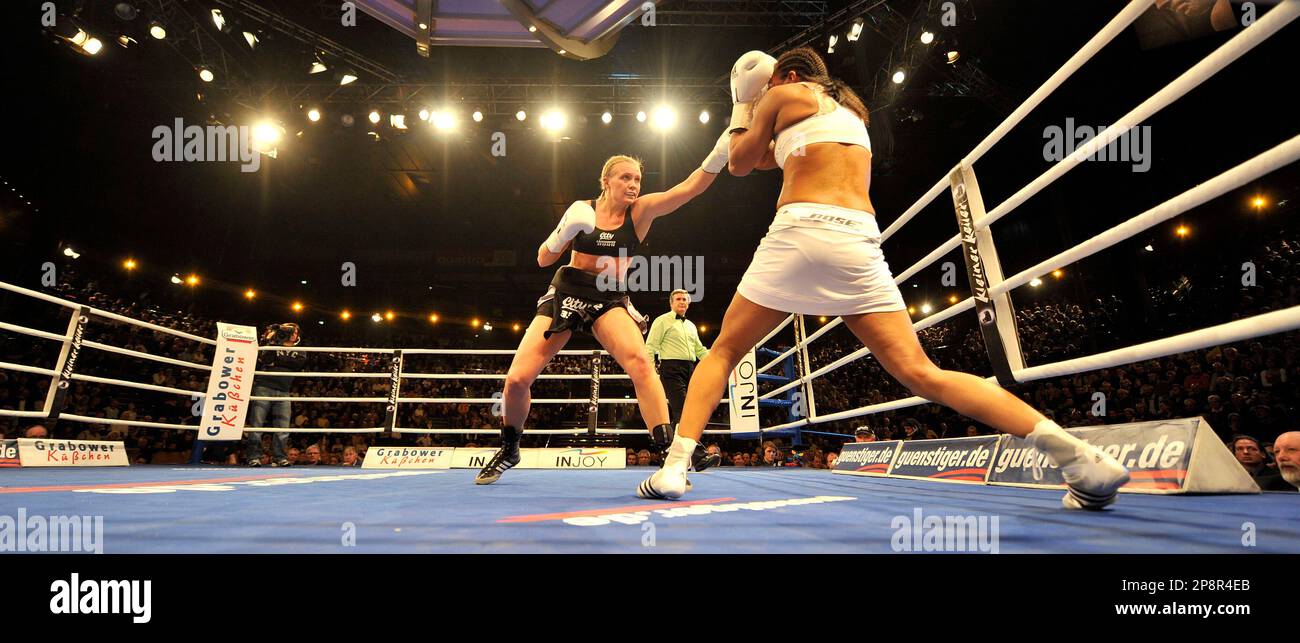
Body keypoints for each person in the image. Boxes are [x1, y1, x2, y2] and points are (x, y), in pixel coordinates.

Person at [637, 48, 1129, 510]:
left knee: (724, 351)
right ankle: (1077, 456)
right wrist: (750, 117)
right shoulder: (850, 113)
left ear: (788, 77)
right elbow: (766, 155)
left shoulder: (786, 94)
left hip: (803, 228)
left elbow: (742, 162)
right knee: (922, 374)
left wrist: (743, 104)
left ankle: (675, 468)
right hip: (859, 242)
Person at [475, 145, 729, 485]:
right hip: (566, 292)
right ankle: (510, 447)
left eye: (637, 178)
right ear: (605, 181)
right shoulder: (583, 210)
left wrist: (718, 155)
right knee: (517, 380)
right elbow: (542, 260)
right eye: (625, 177)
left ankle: (670, 453)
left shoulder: (640, 212)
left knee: (640, 363)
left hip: (608, 297)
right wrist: (563, 234)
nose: (633, 184)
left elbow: (688, 189)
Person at [645, 289, 720, 470]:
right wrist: (648, 373)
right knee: (686, 411)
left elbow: (700, 350)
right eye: (678, 299)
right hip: (670, 369)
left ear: (688, 303)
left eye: (685, 299)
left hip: (690, 369)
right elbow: (651, 346)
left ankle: (670, 457)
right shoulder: (662, 320)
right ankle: (699, 457)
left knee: (681, 416)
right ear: (671, 303)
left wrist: (719, 360)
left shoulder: (691, 326)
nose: (681, 302)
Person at [244, 323, 305, 467]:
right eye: (289, 331)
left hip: (284, 391)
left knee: (282, 427)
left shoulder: (301, 350)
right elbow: (265, 360)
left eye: (295, 331)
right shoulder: (271, 344)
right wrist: (274, 341)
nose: (293, 334)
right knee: (257, 425)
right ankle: (254, 457)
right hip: (263, 387)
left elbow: (297, 365)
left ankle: (279, 457)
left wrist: (277, 361)